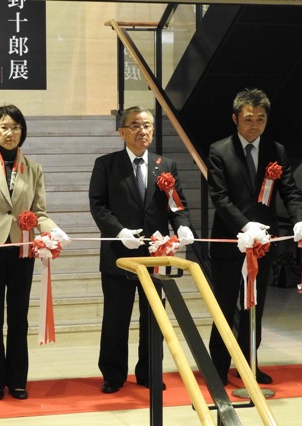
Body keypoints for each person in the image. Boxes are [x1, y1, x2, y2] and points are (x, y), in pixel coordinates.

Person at [0, 104, 68, 401]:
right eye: (4, 127)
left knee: (19, 316)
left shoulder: (33, 168)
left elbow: (39, 211)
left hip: (24, 249)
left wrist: (53, 230)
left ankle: (18, 380)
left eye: (15, 127)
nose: (10, 133)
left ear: (23, 131)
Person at [207, 88, 302, 386]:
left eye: (261, 119)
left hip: (264, 244)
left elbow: (290, 190)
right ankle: (218, 366)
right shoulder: (219, 150)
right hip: (230, 241)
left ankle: (249, 363)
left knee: (255, 306)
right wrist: (245, 226)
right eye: (249, 119)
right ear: (235, 118)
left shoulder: (275, 151)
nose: (254, 125)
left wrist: (300, 220)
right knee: (225, 305)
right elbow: (220, 197)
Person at [88, 106, 194, 394]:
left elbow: (177, 204)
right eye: (135, 125)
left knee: (153, 319)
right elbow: (98, 206)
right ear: (122, 132)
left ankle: (149, 372)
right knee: (115, 319)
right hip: (119, 257)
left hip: (154, 257)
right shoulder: (106, 165)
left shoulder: (165, 165)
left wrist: (182, 225)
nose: (142, 131)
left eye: (147, 126)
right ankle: (113, 374)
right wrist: (119, 232)